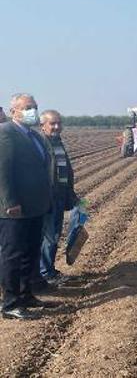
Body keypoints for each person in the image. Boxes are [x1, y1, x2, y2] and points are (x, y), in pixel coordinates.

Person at [0, 93, 53, 320]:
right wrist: (10, 202)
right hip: (15, 209)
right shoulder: (6, 133)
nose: (33, 110)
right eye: (28, 107)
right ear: (14, 112)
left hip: (35, 207)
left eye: (35, 106)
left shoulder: (35, 136)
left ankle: (26, 294)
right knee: (13, 255)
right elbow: (3, 171)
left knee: (30, 253)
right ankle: (10, 303)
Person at [38, 110, 78, 286]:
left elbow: (65, 171)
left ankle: (49, 269)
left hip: (61, 195)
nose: (56, 127)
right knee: (49, 236)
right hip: (48, 198)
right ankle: (46, 273)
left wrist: (71, 194)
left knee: (54, 234)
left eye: (58, 123)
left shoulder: (58, 143)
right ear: (43, 126)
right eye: (52, 123)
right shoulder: (41, 144)